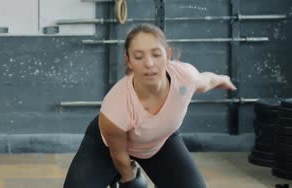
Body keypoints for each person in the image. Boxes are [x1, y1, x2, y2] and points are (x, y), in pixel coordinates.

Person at [64, 23, 237, 188]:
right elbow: (119, 155)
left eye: (156, 54)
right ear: (129, 61)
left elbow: (207, 80)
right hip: (107, 147)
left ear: (168, 55)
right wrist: (129, 179)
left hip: (158, 143)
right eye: (139, 57)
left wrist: (224, 79)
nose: (149, 64)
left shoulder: (184, 77)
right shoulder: (115, 106)